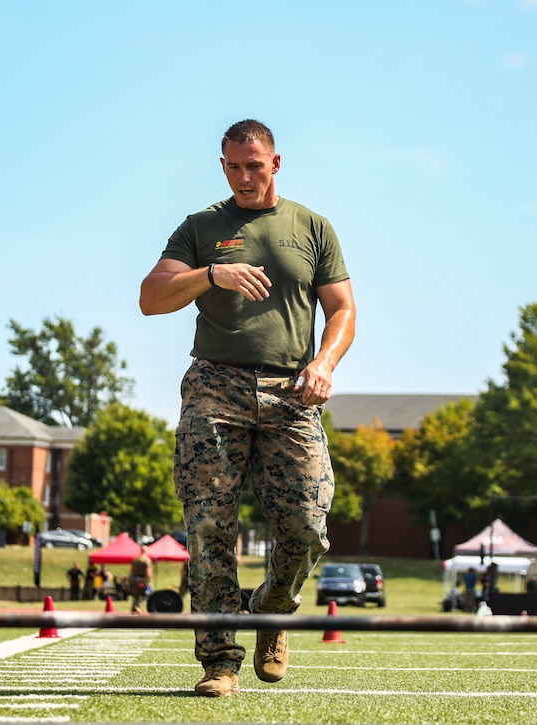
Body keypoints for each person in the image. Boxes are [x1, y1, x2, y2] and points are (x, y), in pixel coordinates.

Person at [139, 119, 356, 697]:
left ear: (275, 163)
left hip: (292, 391)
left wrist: (325, 363)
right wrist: (211, 273)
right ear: (223, 166)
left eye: (253, 165)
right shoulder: (200, 227)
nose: (243, 176)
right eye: (233, 166)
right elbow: (150, 299)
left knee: (309, 527)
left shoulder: (312, 227)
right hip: (215, 387)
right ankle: (219, 662)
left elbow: (342, 310)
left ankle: (272, 608)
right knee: (209, 525)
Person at [129, 545, 153, 614]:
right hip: (142, 580)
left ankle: (133, 609)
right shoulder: (147, 560)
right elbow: (148, 573)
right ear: (146, 551)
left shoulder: (135, 559)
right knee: (146, 594)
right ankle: (138, 606)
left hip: (133, 579)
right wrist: (149, 582)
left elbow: (131, 570)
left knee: (136, 595)